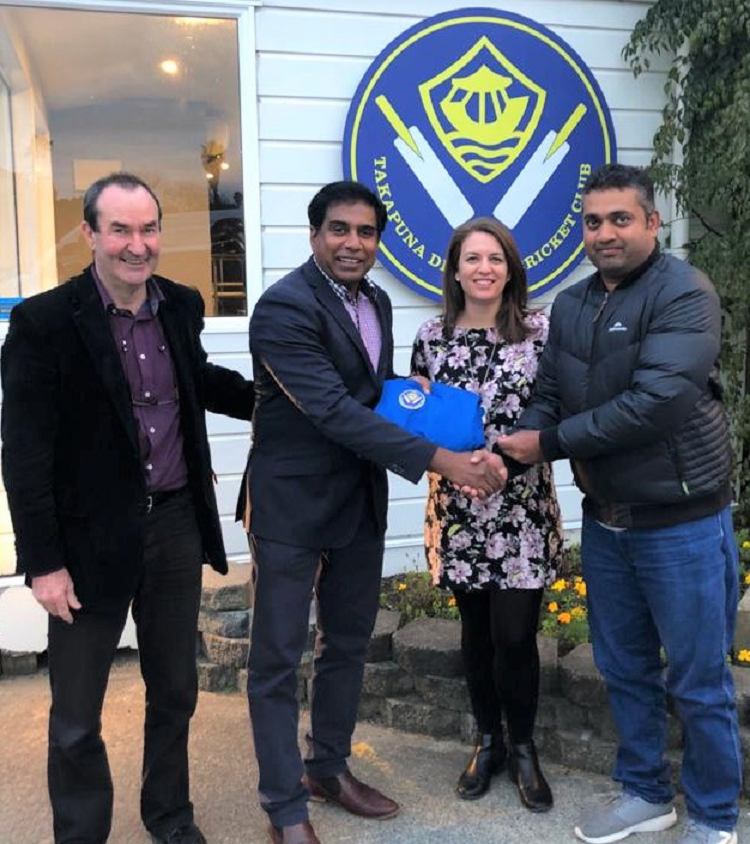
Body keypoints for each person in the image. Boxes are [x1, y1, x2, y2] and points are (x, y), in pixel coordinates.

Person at [240, 181, 507, 844]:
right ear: (314, 235)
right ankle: (284, 806)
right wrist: (443, 461)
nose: (353, 243)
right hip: (291, 505)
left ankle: (328, 768)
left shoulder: (377, 301)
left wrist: (402, 391)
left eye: (366, 232)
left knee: (347, 642)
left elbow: (360, 392)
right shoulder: (283, 308)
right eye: (339, 229)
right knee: (277, 659)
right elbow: (330, 409)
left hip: (358, 499)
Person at [1, 173, 255, 844]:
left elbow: (198, 380)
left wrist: (280, 403)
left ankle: (169, 817)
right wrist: (44, 563)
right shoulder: (43, 323)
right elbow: (23, 455)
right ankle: (81, 833)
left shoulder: (180, 304)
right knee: (76, 714)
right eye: (120, 229)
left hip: (173, 525)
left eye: (148, 229)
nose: (136, 245)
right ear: (89, 234)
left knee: (175, 691)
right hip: (87, 543)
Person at [500, 163, 740, 844]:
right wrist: (508, 449)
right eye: (593, 221)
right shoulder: (573, 304)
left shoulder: (684, 292)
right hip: (607, 522)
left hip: (681, 523)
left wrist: (546, 442)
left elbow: (654, 405)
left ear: (652, 223)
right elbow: (550, 393)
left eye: (620, 219)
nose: (604, 233)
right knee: (625, 669)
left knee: (699, 681)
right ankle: (645, 793)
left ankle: (715, 816)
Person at [410, 218, 562, 811]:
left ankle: (523, 747)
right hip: (458, 508)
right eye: (472, 258)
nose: (484, 269)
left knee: (515, 634)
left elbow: (555, 409)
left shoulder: (540, 333)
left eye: (495, 258)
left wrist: (504, 464)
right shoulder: (431, 336)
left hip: (520, 506)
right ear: (454, 271)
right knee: (476, 633)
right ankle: (488, 741)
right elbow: (419, 418)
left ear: (511, 268)